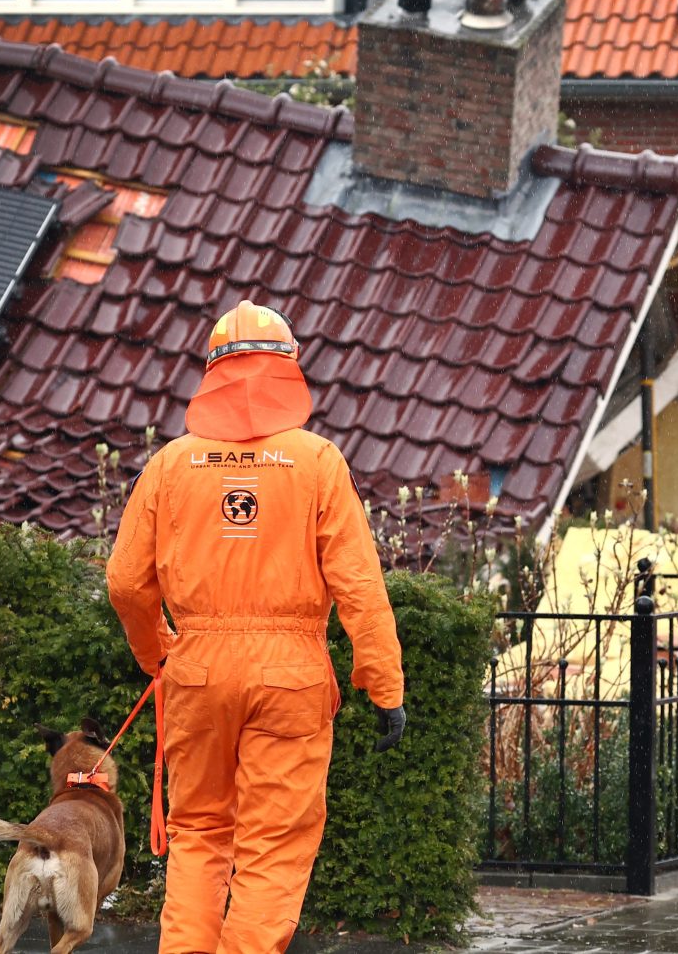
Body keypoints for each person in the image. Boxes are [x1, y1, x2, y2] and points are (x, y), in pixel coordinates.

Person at [107, 301, 407, 953]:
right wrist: (383, 686)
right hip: (290, 674)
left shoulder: (170, 465)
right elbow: (358, 585)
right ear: (287, 369)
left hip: (196, 671)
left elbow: (126, 583)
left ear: (212, 373)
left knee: (198, 838)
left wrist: (159, 653)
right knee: (272, 850)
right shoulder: (318, 462)